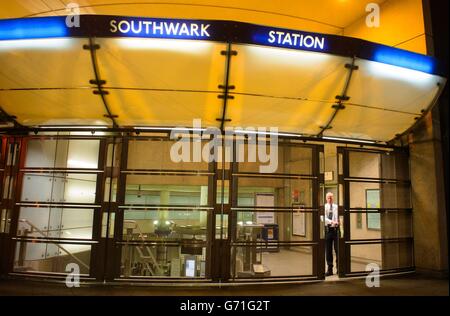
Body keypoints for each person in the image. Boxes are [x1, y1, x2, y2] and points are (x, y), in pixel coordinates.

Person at [324, 192, 339, 276]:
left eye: (331, 197)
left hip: (336, 230)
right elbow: (323, 218)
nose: (330, 199)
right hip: (328, 230)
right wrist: (331, 221)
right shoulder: (324, 207)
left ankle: (339, 269)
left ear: (333, 198)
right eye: (328, 198)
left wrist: (338, 222)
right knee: (328, 251)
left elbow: (340, 216)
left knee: (337, 250)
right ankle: (330, 270)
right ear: (326, 199)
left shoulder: (336, 207)